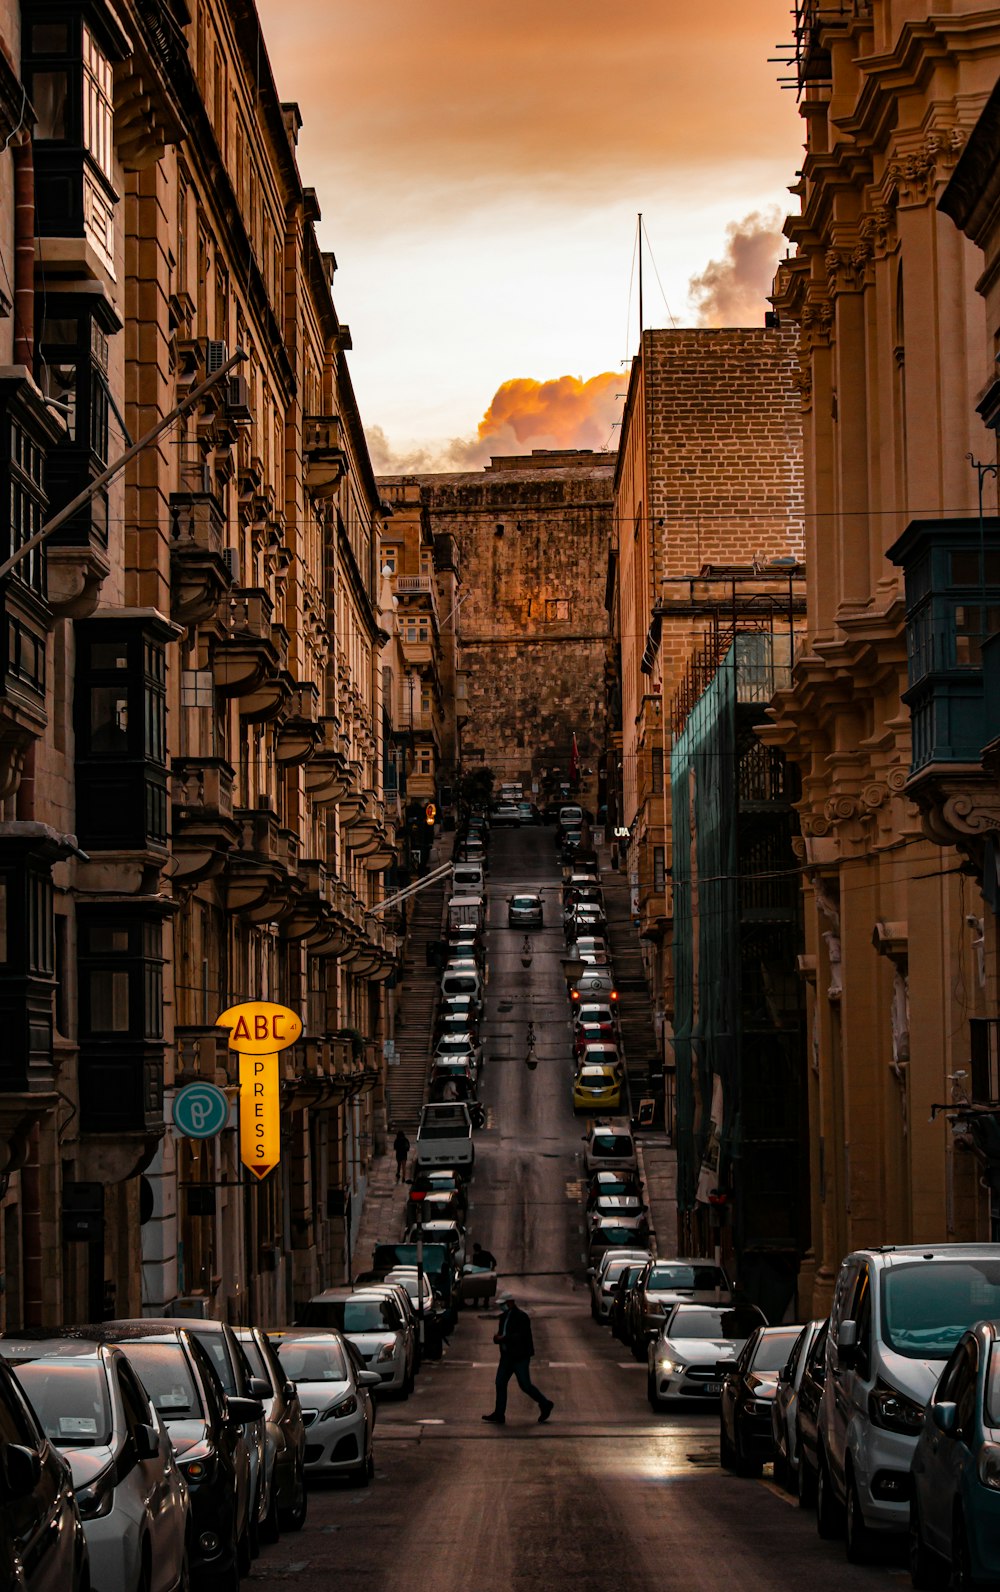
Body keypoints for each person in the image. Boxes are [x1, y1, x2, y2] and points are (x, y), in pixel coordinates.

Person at [482, 1292, 553, 1426]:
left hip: (519, 1356)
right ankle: (499, 1413)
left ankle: (545, 1403)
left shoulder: (521, 1317)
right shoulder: (503, 1317)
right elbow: (502, 1333)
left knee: (525, 1385)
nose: (502, 1307)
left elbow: (519, 1336)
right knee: (500, 1383)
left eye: (503, 1304)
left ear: (510, 1302)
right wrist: (497, 1339)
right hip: (506, 1356)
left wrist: (503, 1338)